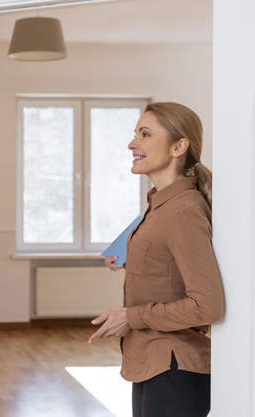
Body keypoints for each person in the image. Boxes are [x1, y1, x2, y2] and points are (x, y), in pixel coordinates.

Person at [88, 102, 224, 417]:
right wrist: (129, 256)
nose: (132, 143)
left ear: (179, 146)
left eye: (145, 134)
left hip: (174, 367)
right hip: (153, 361)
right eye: (135, 133)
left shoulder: (183, 211)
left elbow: (207, 306)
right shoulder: (160, 204)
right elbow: (165, 253)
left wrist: (130, 317)